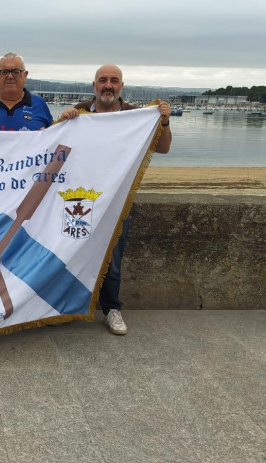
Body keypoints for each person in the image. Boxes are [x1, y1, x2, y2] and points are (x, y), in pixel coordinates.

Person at [59, 64, 172, 335]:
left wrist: (164, 121)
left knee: (114, 257)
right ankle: (67, 305)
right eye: (103, 80)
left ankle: (112, 309)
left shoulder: (136, 115)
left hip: (117, 200)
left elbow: (164, 148)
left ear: (121, 86)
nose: (108, 85)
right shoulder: (81, 111)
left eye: (114, 80)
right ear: (94, 85)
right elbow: (60, 145)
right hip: (83, 198)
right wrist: (63, 121)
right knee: (70, 249)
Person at [0, 52, 53, 131]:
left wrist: (64, 122)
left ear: (25, 75)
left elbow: (56, 139)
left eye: (16, 72)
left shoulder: (39, 104)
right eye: (4, 72)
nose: (10, 76)